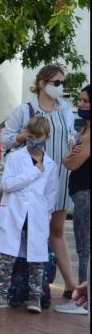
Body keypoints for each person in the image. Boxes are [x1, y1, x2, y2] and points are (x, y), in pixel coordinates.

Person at [0, 65, 78, 298]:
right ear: (42, 83)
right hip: (33, 178)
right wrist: (22, 136)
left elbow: (70, 134)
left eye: (63, 82)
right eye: (56, 82)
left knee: (57, 230)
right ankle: (26, 286)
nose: (60, 87)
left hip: (60, 175)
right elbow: (5, 139)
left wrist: (73, 143)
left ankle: (70, 284)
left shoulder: (64, 108)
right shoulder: (25, 110)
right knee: (31, 233)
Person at [0, 117, 59, 313]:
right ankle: (1, 295)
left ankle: (35, 298)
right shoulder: (15, 158)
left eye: (38, 137)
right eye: (30, 137)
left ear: (47, 137)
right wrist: (33, 172)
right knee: (7, 257)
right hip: (14, 213)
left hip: (37, 215)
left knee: (37, 258)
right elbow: (8, 184)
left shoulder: (50, 165)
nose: (34, 141)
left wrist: (45, 216)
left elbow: (51, 195)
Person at [55, 84, 90, 315]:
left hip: (86, 194)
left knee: (85, 246)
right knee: (83, 245)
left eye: (86, 101)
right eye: (80, 100)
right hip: (80, 194)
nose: (81, 104)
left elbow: (73, 162)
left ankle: (83, 301)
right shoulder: (85, 129)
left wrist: (68, 159)